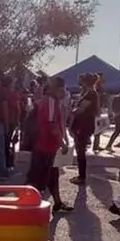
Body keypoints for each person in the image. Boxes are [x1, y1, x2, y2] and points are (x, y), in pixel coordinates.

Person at [26, 77, 73, 212]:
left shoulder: (52, 101)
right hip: (45, 146)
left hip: (47, 146)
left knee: (52, 175)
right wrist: (62, 143)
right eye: (63, 88)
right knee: (37, 179)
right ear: (57, 88)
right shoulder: (51, 102)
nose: (65, 91)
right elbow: (51, 125)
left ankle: (57, 202)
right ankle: (28, 208)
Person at [70, 73, 99, 186]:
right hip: (82, 125)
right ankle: (81, 175)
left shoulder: (91, 94)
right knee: (80, 150)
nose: (79, 82)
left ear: (85, 82)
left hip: (84, 125)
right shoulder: (88, 93)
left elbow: (81, 110)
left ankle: (82, 177)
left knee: (80, 151)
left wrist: (69, 110)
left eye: (81, 80)